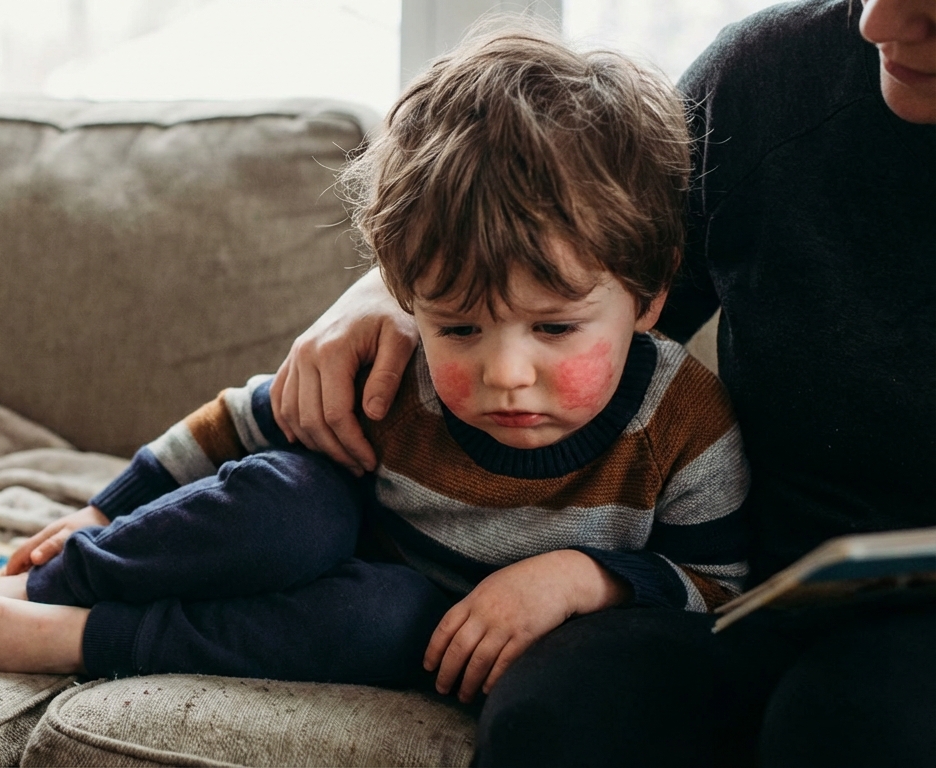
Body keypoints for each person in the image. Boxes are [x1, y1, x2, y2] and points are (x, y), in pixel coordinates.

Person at [0, 25, 751, 697]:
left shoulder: (685, 422)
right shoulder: (397, 371)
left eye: (555, 330)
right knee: (287, 501)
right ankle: (62, 586)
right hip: (335, 536)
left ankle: (91, 638)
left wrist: (581, 579)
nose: (504, 373)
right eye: (458, 330)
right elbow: (240, 420)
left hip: (410, 622)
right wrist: (100, 517)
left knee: (387, 619)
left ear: (647, 297)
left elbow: (718, 584)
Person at [270, 0, 936, 764]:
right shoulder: (767, 81)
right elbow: (586, 259)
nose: (876, 23)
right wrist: (387, 297)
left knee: (860, 723)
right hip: (743, 595)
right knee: (556, 712)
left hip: (904, 638)